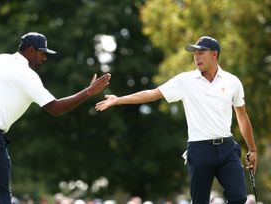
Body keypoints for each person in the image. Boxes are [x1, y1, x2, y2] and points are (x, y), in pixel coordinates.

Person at [0, 32, 111, 204]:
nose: (44, 58)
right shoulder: (27, 75)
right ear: (30, 50)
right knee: (2, 197)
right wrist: (88, 92)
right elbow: (55, 108)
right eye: (42, 53)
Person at [95, 36, 257, 204]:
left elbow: (242, 115)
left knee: (239, 198)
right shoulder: (185, 81)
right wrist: (119, 99)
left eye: (201, 52)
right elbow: (152, 94)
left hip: (227, 148)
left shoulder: (232, 81)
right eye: (195, 53)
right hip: (199, 149)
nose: (196, 57)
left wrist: (252, 149)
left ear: (214, 54)